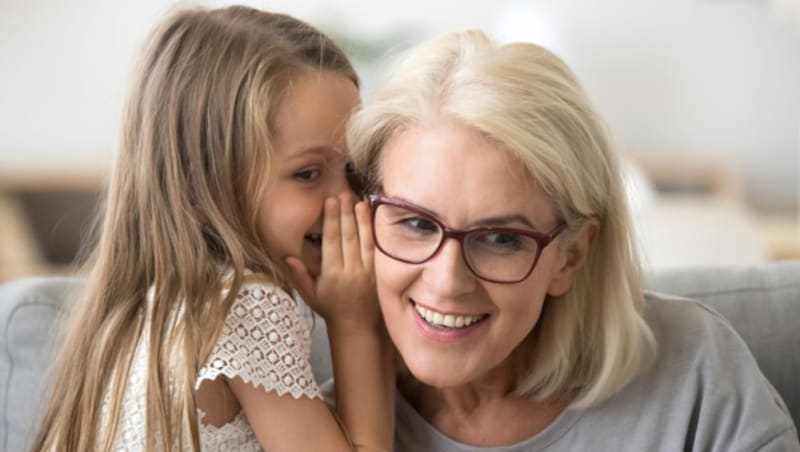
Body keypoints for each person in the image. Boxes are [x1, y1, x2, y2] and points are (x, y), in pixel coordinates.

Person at [346, 30, 799, 451]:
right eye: (416, 224)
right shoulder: (318, 423)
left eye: (502, 238)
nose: (447, 281)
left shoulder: (695, 378)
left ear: (571, 255)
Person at [31, 6, 394, 451]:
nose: (349, 200)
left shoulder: (141, 314)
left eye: (354, 170)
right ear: (200, 190)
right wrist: (355, 323)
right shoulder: (245, 304)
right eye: (307, 174)